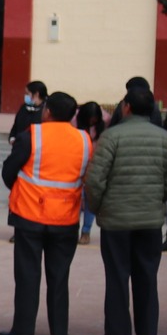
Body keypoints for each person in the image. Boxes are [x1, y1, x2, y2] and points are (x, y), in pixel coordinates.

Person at [81, 86, 167, 335]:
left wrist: (98, 207)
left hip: (116, 221)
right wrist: (157, 202)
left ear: (127, 108)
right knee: (147, 277)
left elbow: (94, 180)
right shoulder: (165, 138)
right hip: (149, 221)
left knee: (117, 277)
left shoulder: (112, 137)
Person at [0, 91, 90, 335]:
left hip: (30, 216)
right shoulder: (84, 141)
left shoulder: (33, 135)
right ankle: (59, 333)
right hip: (66, 217)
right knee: (59, 277)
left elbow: (9, 171)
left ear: (47, 111)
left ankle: (24, 331)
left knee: (28, 275)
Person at [74, 101, 105, 245]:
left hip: (95, 167)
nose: (93, 122)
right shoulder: (74, 122)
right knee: (75, 199)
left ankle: (86, 231)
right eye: (90, 119)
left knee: (90, 200)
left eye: (95, 119)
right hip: (77, 165)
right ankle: (73, 228)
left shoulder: (106, 121)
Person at [8, 81, 47, 145]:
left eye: (28, 93)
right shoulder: (24, 107)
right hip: (20, 145)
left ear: (36, 94)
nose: (26, 96)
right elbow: (16, 125)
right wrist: (12, 138)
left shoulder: (45, 111)